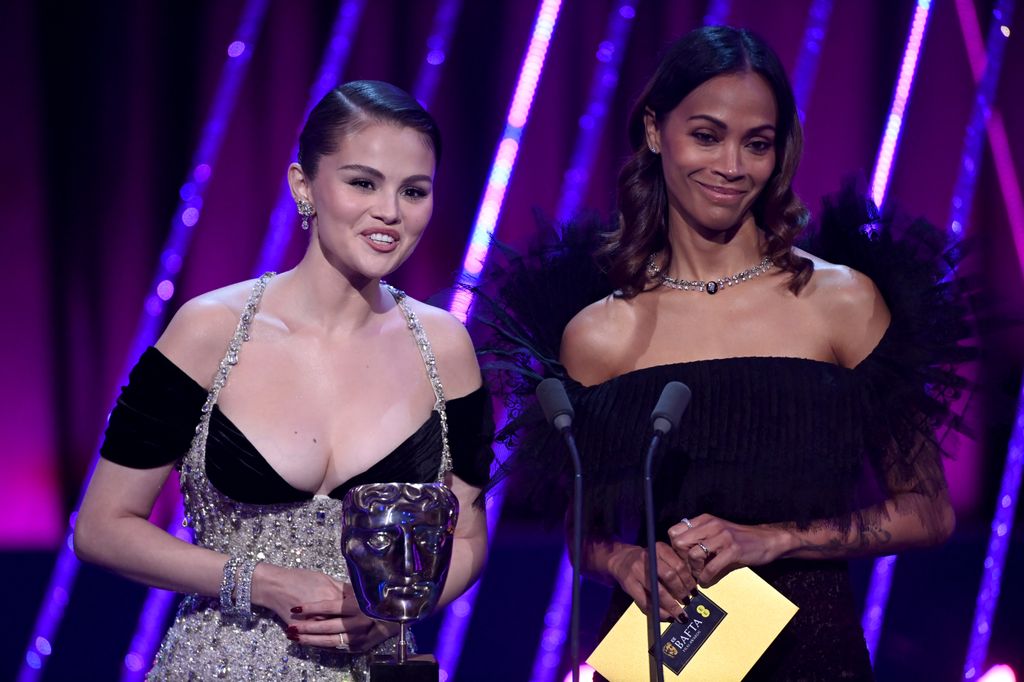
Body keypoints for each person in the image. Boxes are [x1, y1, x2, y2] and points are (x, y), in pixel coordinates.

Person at [478, 26, 969, 680]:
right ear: (655, 131)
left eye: (756, 144)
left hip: (812, 660)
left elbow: (928, 510)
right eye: (706, 136)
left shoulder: (840, 302)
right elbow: (584, 533)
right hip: (662, 656)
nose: (733, 167)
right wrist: (623, 561)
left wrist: (777, 539)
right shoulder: (600, 333)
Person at [74, 80, 494, 681]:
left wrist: (394, 609)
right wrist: (259, 581)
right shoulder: (209, 331)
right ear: (304, 186)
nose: (390, 213)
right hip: (222, 665)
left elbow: (470, 537)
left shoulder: (446, 346)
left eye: (414, 191)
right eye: (362, 182)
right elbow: (100, 528)